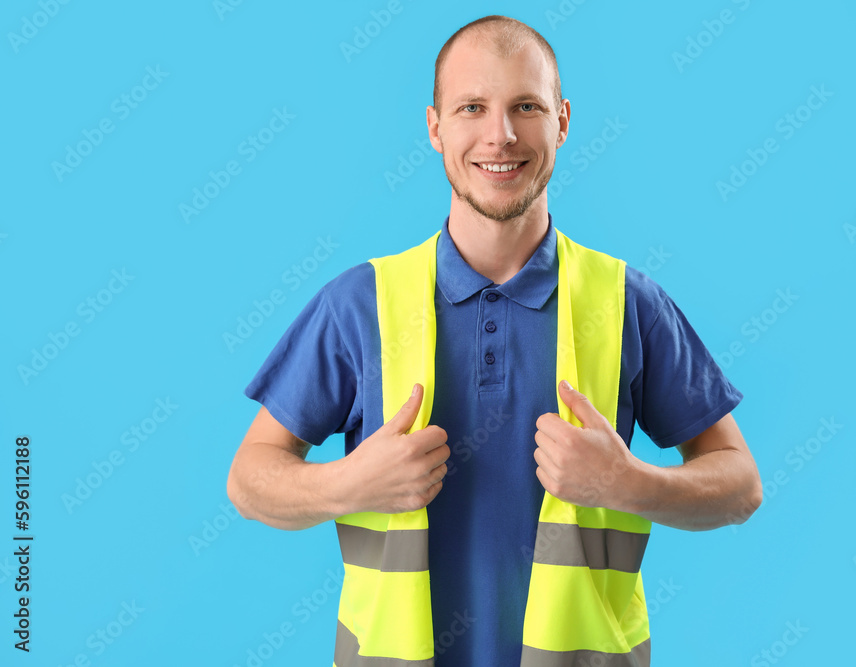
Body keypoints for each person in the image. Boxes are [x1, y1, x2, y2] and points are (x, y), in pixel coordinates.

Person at [228, 14, 762, 667]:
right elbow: (250, 478)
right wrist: (349, 481)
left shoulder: (627, 302)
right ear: (435, 127)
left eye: (526, 107)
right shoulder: (358, 304)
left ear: (562, 121)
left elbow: (740, 485)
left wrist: (628, 481)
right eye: (472, 107)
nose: (500, 135)